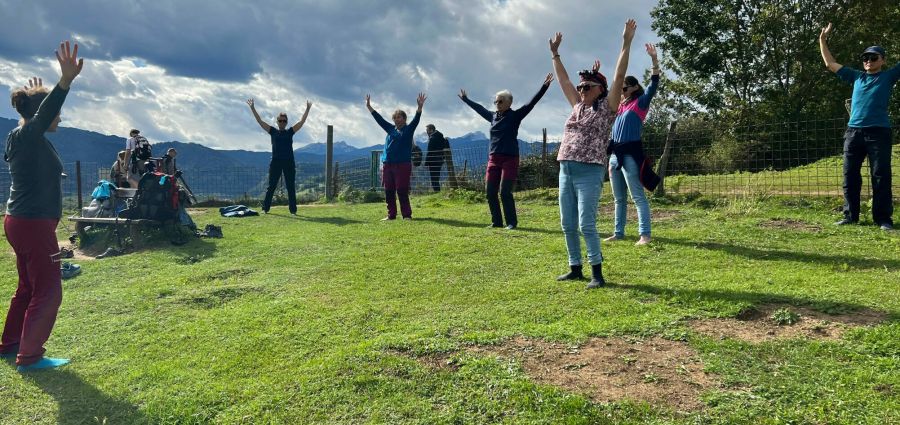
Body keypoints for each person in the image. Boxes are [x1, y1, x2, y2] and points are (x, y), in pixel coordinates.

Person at [1, 41, 83, 371]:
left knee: (28, 286)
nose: (60, 119)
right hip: (33, 224)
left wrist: (39, 99)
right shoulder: (29, 135)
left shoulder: (20, 135)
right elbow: (44, 114)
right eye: (55, 113)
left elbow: (39, 115)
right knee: (49, 289)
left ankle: (11, 344)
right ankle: (30, 356)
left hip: (21, 222)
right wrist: (64, 83)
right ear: (40, 114)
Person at [550, 20, 636, 289]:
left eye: (587, 86)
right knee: (567, 223)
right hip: (566, 170)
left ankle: (597, 272)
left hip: (589, 171)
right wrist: (555, 54)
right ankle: (575, 267)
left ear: (600, 89)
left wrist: (626, 43)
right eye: (581, 87)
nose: (582, 90)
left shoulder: (607, 108)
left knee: (587, 223)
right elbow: (563, 80)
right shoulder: (577, 106)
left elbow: (620, 77)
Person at [819, 23, 898, 231]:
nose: (868, 61)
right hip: (853, 132)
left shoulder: (888, 77)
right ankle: (850, 216)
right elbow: (830, 63)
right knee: (849, 174)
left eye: (873, 58)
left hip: (879, 132)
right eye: (866, 58)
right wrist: (822, 40)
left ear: (882, 60)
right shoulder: (856, 77)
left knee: (880, 175)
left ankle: (883, 219)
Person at [459, 73, 553, 229]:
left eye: (500, 101)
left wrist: (544, 87)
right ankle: (496, 222)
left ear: (509, 102)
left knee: (505, 192)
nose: (497, 103)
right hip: (493, 159)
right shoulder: (492, 117)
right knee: (490, 192)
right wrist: (466, 99)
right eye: (495, 101)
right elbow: (479, 109)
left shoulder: (515, 116)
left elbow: (531, 103)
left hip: (510, 159)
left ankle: (511, 222)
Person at [604, 42, 661, 245]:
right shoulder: (618, 106)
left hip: (630, 156)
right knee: (618, 199)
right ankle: (618, 233)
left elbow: (654, 85)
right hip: (614, 156)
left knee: (637, 196)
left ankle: (644, 234)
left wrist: (654, 60)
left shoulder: (640, 103)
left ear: (634, 87)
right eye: (621, 88)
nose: (622, 90)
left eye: (625, 87)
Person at [366, 93, 427, 220]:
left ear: (404, 119)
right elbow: (380, 120)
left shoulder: (409, 129)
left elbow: (416, 120)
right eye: (395, 118)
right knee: (389, 191)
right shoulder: (390, 129)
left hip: (403, 165)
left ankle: (406, 215)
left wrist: (419, 109)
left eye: (400, 117)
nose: (397, 119)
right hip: (388, 164)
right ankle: (391, 215)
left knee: (402, 190)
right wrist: (369, 107)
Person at [247, 98, 312, 215]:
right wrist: (252, 108)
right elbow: (260, 121)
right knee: (271, 186)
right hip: (276, 162)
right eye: (280, 120)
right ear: (277, 121)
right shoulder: (272, 131)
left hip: (289, 162)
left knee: (290, 187)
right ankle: (265, 209)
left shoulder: (290, 132)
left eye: (284, 121)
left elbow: (301, 122)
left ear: (286, 122)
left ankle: (293, 211)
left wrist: (307, 109)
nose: (282, 122)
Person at [424, 124, 449, 192]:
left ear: (431, 130)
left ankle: (436, 191)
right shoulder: (441, 137)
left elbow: (429, 151)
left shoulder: (432, 138)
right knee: (437, 176)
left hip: (433, 161)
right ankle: (437, 191)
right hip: (440, 159)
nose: (427, 132)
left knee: (433, 177)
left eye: (427, 130)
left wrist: (426, 163)